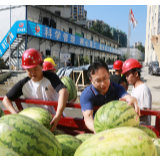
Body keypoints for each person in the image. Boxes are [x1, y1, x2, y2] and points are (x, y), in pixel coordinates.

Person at [2, 48, 69, 132]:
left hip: (56, 120)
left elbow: (64, 92)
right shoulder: (23, 84)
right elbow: (6, 99)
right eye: (29, 70)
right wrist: (15, 114)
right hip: (35, 125)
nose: (33, 72)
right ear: (25, 69)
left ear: (42, 66)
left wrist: (58, 115)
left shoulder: (51, 77)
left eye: (35, 68)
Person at [80, 60, 140, 133]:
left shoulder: (117, 88)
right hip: (94, 132)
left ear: (109, 74)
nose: (103, 84)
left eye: (105, 78)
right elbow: (88, 116)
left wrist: (131, 98)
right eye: (98, 80)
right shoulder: (87, 94)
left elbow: (125, 96)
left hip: (115, 131)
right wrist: (98, 131)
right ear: (91, 80)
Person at [122, 58, 152, 126]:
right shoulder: (134, 87)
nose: (126, 78)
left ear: (136, 74)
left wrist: (128, 115)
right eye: (125, 75)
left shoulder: (144, 89)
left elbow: (147, 111)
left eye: (128, 75)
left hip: (143, 128)